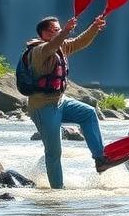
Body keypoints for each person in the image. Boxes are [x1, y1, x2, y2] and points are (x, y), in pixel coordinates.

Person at [24, 14, 115, 189]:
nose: (60, 31)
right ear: (45, 33)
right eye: (56, 29)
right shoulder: (38, 51)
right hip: (42, 107)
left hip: (60, 102)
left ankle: (100, 159)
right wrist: (65, 31)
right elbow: (51, 47)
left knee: (88, 113)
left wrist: (95, 27)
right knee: (54, 152)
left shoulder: (61, 46)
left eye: (59, 29)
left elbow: (80, 42)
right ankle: (57, 191)